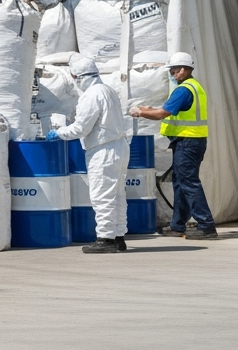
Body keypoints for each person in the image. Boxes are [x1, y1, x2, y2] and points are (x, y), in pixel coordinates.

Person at [45, 54, 129, 254]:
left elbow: (81, 128)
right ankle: (118, 237)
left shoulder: (91, 95)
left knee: (102, 196)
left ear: (77, 77)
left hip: (103, 150)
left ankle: (105, 239)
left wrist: (59, 133)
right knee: (117, 195)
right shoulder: (108, 90)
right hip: (119, 146)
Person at [130, 52, 216, 240]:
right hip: (190, 141)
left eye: (174, 71)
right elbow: (165, 109)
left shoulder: (183, 90)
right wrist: (146, 109)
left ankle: (206, 225)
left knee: (189, 182)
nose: (172, 74)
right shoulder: (193, 87)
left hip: (188, 142)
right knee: (180, 182)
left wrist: (140, 114)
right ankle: (178, 225)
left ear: (184, 70)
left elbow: (163, 113)